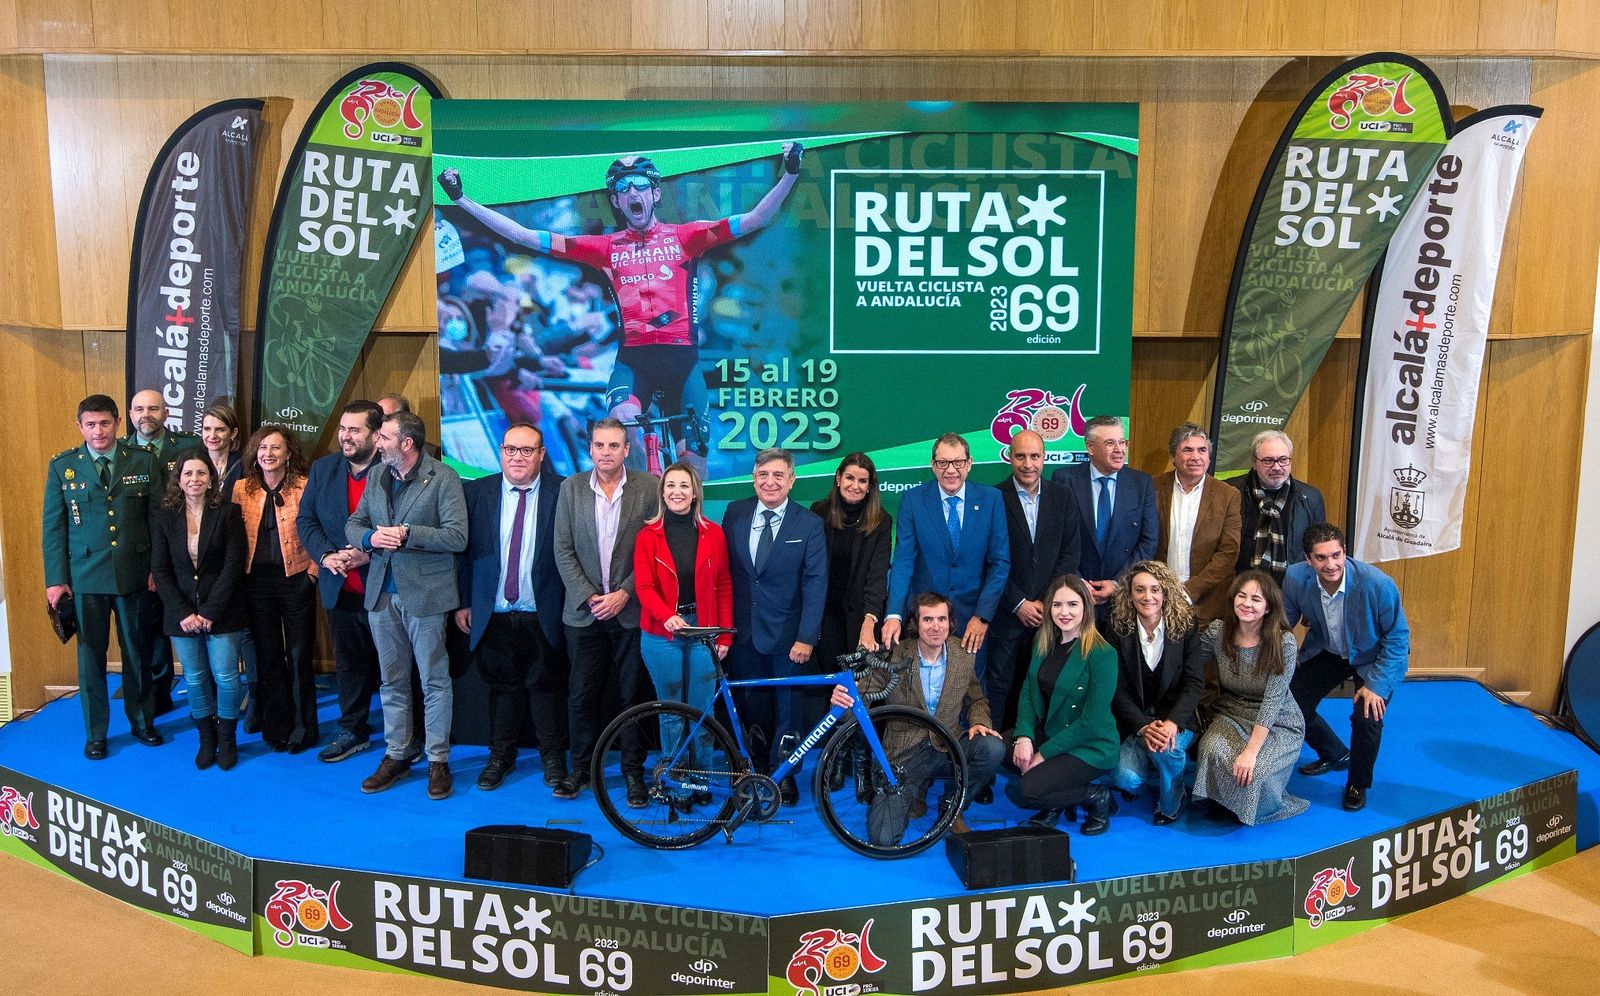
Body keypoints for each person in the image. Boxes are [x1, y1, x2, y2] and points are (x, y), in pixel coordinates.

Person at [438, 142, 805, 437]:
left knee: (694, 466)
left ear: (655, 194)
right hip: (635, 362)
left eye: (641, 185)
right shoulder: (605, 248)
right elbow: (523, 236)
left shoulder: (686, 237)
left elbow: (757, 218)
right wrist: (461, 200)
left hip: (682, 360)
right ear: (616, 201)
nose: (633, 192)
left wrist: (789, 174)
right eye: (623, 188)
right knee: (622, 425)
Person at [349, 410, 469, 800]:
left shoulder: (444, 477)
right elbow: (354, 523)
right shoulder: (377, 475)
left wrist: (408, 534)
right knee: (392, 681)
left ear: (407, 443)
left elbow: (457, 536)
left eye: (383, 437)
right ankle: (397, 754)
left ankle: (438, 760)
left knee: (434, 680)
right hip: (382, 594)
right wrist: (369, 539)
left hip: (427, 597)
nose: (376, 442)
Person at [42, 395, 162, 757]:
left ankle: (142, 722)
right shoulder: (64, 467)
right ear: (80, 427)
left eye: (105, 423)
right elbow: (53, 527)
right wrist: (56, 579)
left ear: (117, 423)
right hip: (85, 577)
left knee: (136, 651)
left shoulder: (142, 461)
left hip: (133, 574)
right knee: (90, 657)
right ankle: (96, 732)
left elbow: (157, 518)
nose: (98, 431)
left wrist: (158, 567)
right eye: (90, 424)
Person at [836, 592, 1005, 842]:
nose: (936, 627)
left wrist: (980, 722)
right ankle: (915, 792)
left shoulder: (962, 655)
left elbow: (977, 699)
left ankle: (953, 806)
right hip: (904, 755)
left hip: (949, 746)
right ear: (915, 623)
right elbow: (861, 700)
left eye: (942, 619)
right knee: (882, 838)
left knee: (992, 748)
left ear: (950, 622)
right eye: (928, 620)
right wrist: (842, 703)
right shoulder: (894, 653)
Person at [551, 416, 659, 803]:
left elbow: (654, 550)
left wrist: (625, 593)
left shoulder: (649, 487)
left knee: (632, 697)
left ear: (627, 449)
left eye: (614, 446)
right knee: (581, 695)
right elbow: (561, 548)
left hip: (630, 612)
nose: (606, 453)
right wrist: (590, 596)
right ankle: (580, 769)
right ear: (590, 447)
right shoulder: (571, 488)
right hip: (584, 613)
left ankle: (633, 774)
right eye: (599, 445)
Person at [457, 423, 570, 791]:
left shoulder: (563, 490)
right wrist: (463, 601)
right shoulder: (477, 492)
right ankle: (499, 759)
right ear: (500, 451)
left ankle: (553, 760)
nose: (517, 457)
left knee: (547, 689)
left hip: (546, 611)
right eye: (510, 449)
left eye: (526, 450)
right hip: (494, 612)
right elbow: (463, 552)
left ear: (541, 455)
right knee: (502, 689)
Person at [297, 401, 408, 764]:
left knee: (397, 667)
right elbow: (307, 521)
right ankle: (353, 729)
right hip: (339, 586)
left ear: (377, 436)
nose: (345, 436)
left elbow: (407, 527)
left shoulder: (396, 472)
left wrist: (367, 552)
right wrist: (327, 556)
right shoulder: (323, 469)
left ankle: (408, 736)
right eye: (343, 429)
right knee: (349, 664)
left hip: (387, 588)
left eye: (354, 430)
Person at [723, 447, 828, 804]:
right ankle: (753, 770)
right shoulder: (734, 513)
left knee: (788, 709)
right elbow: (727, 576)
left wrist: (806, 637)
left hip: (788, 637)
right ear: (754, 478)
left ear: (791, 480)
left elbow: (816, 584)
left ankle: (784, 775)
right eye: (763, 474)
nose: (770, 482)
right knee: (750, 706)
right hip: (742, 633)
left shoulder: (808, 523)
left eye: (778, 475)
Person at [1281, 523, 1411, 812]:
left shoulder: (1377, 584)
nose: (1331, 564)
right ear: (1308, 559)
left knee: (1367, 716)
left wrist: (1375, 685)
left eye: (1336, 555)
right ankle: (1335, 753)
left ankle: (1357, 783)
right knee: (1289, 703)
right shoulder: (1295, 577)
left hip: (1373, 656)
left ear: (1345, 552)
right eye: (1321, 558)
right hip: (1327, 648)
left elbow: (1398, 638)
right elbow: (1283, 621)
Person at [632, 461, 733, 808]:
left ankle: (703, 778)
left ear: (695, 492)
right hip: (662, 637)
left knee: (703, 710)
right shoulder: (647, 536)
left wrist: (723, 637)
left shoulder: (713, 533)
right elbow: (643, 588)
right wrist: (668, 617)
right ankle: (676, 782)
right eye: (670, 485)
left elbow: (723, 586)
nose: (677, 492)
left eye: (684, 486)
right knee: (673, 714)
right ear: (662, 492)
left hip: (704, 633)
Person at [881, 433, 1009, 687]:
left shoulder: (991, 500)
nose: (951, 470)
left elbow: (1000, 563)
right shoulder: (913, 500)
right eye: (943, 463)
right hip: (925, 620)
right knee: (920, 691)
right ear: (932, 465)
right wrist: (893, 614)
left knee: (970, 692)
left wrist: (982, 616)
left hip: (972, 620)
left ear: (969, 463)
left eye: (958, 462)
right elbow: (904, 561)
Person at [149, 452, 248, 770]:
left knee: (227, 677)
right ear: (178, 479)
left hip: (222, 611)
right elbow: (160, 570)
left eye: (201, 473)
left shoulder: (229, 513)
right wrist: (183, 612)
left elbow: (234, 565)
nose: (194, 479)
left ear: (211, 479)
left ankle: (227, 738)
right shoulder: (165, 517)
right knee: (194, 678)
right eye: (188, 473)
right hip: (181, 615)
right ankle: (207, 739)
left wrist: (209, 611)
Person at [1192, 570, 1309, 825]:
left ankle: (1250, 807)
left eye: (1256, 599)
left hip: (1277, 719)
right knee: (1211, 749)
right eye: (1242, 596)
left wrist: (1250, 752)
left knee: (1256, 772)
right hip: (1232, 710)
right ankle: (1224, 801)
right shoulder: (1218, 631)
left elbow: (1272, 702)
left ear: (1268, 607)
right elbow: (1188, 664)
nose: (1247, 603)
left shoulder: (1284, 642)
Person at [231, 424, 318, 754]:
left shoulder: (304, 486)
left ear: (289, 453)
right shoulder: (242, 489)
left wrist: (312, 572)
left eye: (276, 448)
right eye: (263, 447)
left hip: (296, 580)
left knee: (298, 656)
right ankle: (275, 726)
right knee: (268, 657)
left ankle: (303, 729)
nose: (268, 454)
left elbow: (320, 528)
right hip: (256, 585)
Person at [1010, 574, 1119, 834]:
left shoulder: (1103, 654)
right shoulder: (1044, 641)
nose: (1064, 612)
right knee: (998, 751)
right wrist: (1024, 737)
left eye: (1072, 604)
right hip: (1053, 730)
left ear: (1086, 607)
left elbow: (1091, 722)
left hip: (1090, 745)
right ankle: (1055, 796)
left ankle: (1095, 796)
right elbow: (1027, 690)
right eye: (1057, 605)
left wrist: (1043, 754)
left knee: (1025, 792)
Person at [990, 429, 1081, 732]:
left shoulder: (1063, 497)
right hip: (1006, 612)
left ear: (1045, 458)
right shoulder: (993, 498)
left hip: (1049, 614)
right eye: (1020, 456)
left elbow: (1070, 554)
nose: (1028, 464)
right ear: (1009, 457)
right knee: (1002, 683)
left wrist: (1047, 601)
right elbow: (988, 560)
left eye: (1034, 456)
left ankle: (1040, 746)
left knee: (1044, 683)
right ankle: (998, 752)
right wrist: (1018, 603)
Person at [1106, 561, 1206, 825]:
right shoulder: (1116, 628)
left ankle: (1171, 803)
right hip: (1135, 720)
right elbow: (1115, 688)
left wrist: (1172, 724)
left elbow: (1194, 684)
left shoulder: (1186, 627)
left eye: (1154, 589)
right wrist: (1142, 727)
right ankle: (1149, 761)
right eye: (1139, 590)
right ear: (1129, 594)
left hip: (1175, 717)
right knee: (1126, 779)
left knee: (1167, 750)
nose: (1147, 597)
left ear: (1165, 593)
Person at [125, 388, 204, 716]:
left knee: (195, 622)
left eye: (153, 408)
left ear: (166, 412)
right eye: (139, 409)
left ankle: (205, 693)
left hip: (187, 553)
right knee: (149, 630)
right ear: (130, 415)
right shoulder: (120, 450)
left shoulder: (188, 446)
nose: (147, 415)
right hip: (141, 556)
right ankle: (157, 693)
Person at [1052, 415, 1158, 618]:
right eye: (1110, 443)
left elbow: (1148, 541)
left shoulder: (1141, 483)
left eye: (1122, 442)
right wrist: (1078, 582)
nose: (1119, 449)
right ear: (1090, 448)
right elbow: (1057, 538)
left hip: (1123, 597)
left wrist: (1118, 583)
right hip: (1076, 597)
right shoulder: (1064, 479)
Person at [809, 452, 892, 664]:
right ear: (838, 478)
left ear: (870, 486)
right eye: (850, 478)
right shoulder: (819, 512)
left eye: (863, 481)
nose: (855, 486)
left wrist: (869, 621)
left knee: (860, 687)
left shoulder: (882, 521)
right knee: (829, 684)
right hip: (825, 618)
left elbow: (877, 574)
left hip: (861, 618)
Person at [1154, 423, 1241, 623]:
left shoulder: (1227, 495)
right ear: (1173, 457)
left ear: (1209, 457)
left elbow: (1229, 552)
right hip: (1158, 600)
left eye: (1202, 450)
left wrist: (1190, 591)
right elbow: (1146, 541)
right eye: (1187, 450)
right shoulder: (1152, 488)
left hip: (1209, 605)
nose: (1196, 457)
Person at [1229, 430, 1326, 583]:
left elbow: (1319, 547)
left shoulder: (1311, 498)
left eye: (1283, 460)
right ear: (1254, 463)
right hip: (1240, 589)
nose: (1276, 467)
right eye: (1268, 461)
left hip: (1291, 590)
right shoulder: (1231, 492)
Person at [199, 403, 245, 496]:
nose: (212, 436)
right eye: (207, 429)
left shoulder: (245, 465)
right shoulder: (192, 461)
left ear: (233, 433)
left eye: (220, 430)